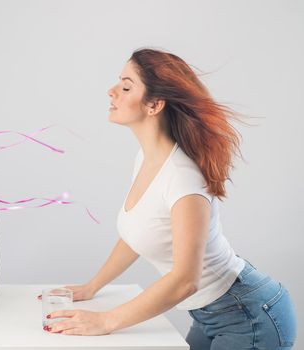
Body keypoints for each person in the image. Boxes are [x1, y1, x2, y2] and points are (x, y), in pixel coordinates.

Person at [37, 48, 297, 349]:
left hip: (247, 314)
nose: (111, 91)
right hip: (209, 314)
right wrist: (93, 286)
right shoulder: (147, 159)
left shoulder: (182, 177)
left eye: (125, 86)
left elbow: (186, 280)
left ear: (155, 104)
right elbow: (137, 232)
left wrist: (105, 321)